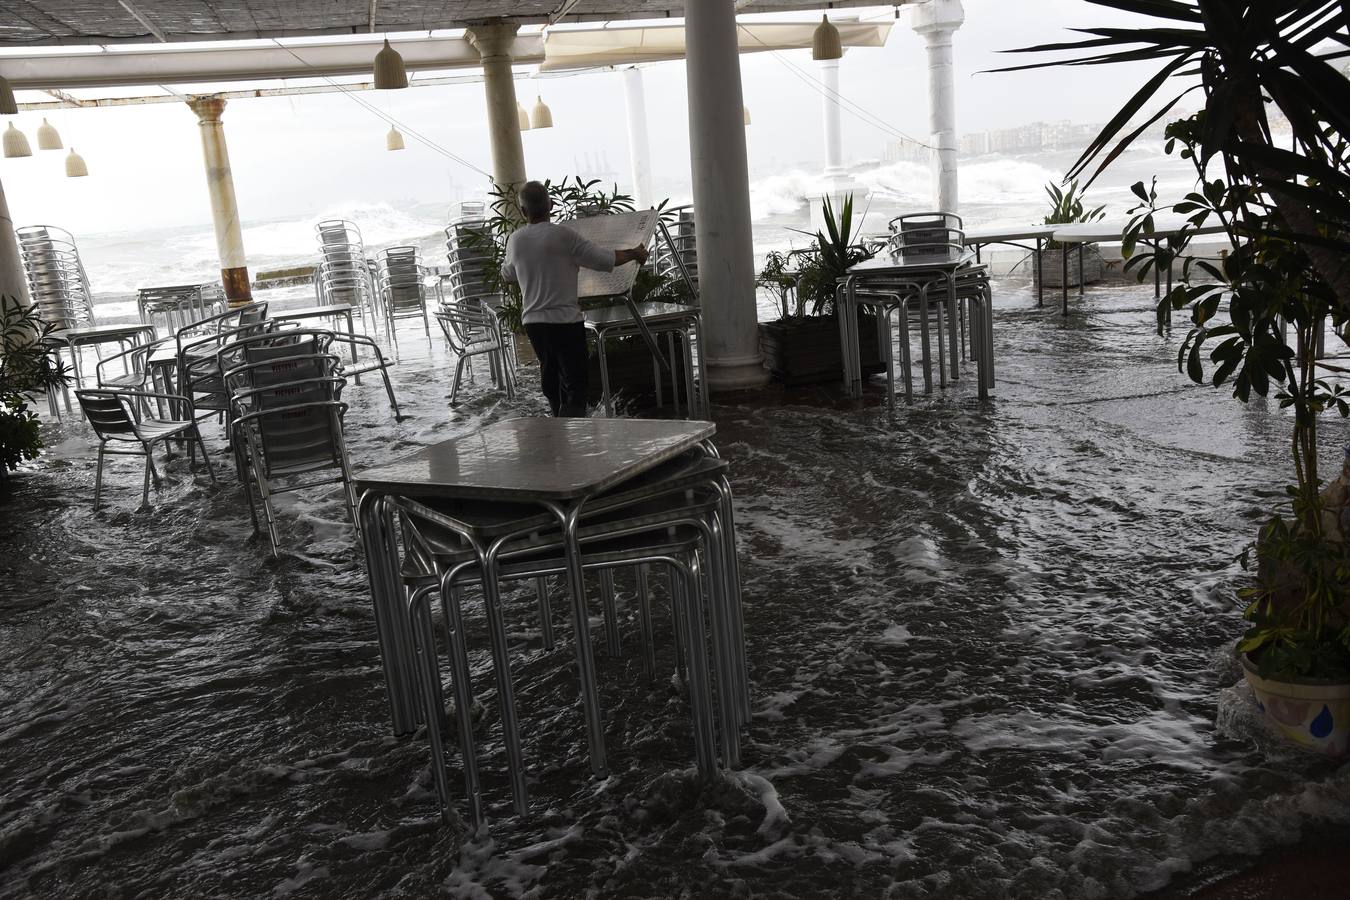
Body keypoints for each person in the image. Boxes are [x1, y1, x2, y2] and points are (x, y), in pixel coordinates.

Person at [501, 181, 649, 417]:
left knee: (551, 381)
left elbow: (507, 274)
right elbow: (603, 259)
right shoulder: (564, 236)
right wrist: (634, 253)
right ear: (550, 205)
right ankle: (573, 438)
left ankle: (558, 428)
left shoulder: (515, 240)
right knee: (575, 385)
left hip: (535, 324)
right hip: (565, 322)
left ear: (523, 211)